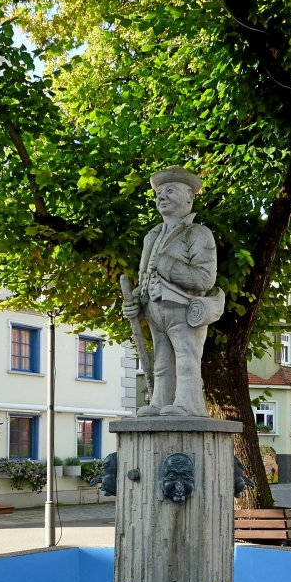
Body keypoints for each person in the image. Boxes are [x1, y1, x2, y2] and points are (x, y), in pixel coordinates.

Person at [123, 166, 224, 417]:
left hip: (184, 310)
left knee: (187, 360)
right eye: (158, 193)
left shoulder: (198, 233)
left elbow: (204, 279)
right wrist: (135, 301)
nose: (161, 197)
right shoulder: (152, 236)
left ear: (189, 196)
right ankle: (160, 402)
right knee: (162, 363)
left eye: (170, 191)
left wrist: (167, 264)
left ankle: (187, 404)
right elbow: (143, 279)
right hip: (155, 310)